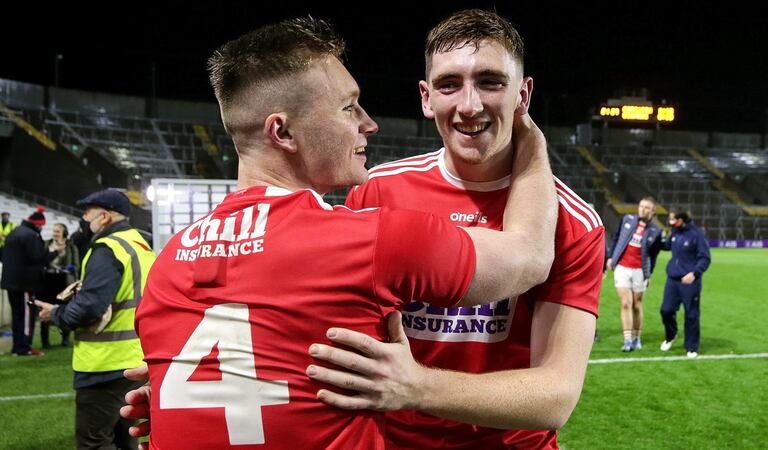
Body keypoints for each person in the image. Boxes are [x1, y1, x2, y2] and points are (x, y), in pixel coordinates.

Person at [122, 16, 557, 450]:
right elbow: (530, 256)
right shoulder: (367, 240)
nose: (369, 123)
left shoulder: (170, 263)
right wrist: (533, 143)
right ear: (283, 132)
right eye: (349, 107)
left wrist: (186, 398)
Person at [305, 10, 605, 449]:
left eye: (490, 81)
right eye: (449, 85)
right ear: (427, 98)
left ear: (524, 94)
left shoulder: (572, 222)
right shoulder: (378, 191)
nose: (469, 105)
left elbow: (555, 396)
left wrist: (418, 387)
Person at [35, 189, 154, 450]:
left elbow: (89, 307)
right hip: (136, 358)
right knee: (127, 440)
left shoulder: (107, 248)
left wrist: (54, 314)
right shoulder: (139, 243)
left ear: (104, 216)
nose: (84, 218)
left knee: (94, 442)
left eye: (87, 212)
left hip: (104, 363)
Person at [1, 207, 62, 356]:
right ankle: (24, 347)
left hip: (11, 282)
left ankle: (17, 346)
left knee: (17, 316)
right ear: (38, 224)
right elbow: (38, 258)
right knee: (27, 316)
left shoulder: (14, 232)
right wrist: (55, 252)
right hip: (25, 283)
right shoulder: (30, 235)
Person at [606, 196, 662, 351]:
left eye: (646, 207)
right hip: (622, 268)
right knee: (625, 303)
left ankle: (637, 337)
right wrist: (611, 257)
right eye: (641, 206)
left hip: (640, 271)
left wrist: (649, 274)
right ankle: (627, 340)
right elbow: (616, 238)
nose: (642, 209)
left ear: (653, 211)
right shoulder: (627, 219)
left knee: (637, 305)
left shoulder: (656, 230)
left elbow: (654, 255)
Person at [658, 207, 711, 358]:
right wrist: (658, 239)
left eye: (673, 219)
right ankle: (671, 335)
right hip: (673, 280)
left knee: (691, 315)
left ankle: (691, 347)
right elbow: (667, 245)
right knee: (666, 310)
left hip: (690, 281)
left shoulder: (696, 234)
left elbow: (705, 258)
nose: (670, 222)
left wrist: (694, 273)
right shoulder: (675, 232)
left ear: (681, 220)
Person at [39, 223, 81, 347]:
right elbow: (41, 260)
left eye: (58, 231)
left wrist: (70, 268)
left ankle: (65, 338)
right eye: (54, 231)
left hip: (64, 281)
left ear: (64, 233)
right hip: (48, 280)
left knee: (65, 308)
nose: (55, 233)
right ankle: (45, 341)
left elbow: (76, 265)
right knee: (45, 308)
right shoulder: (47, 244)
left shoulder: (71, 246)